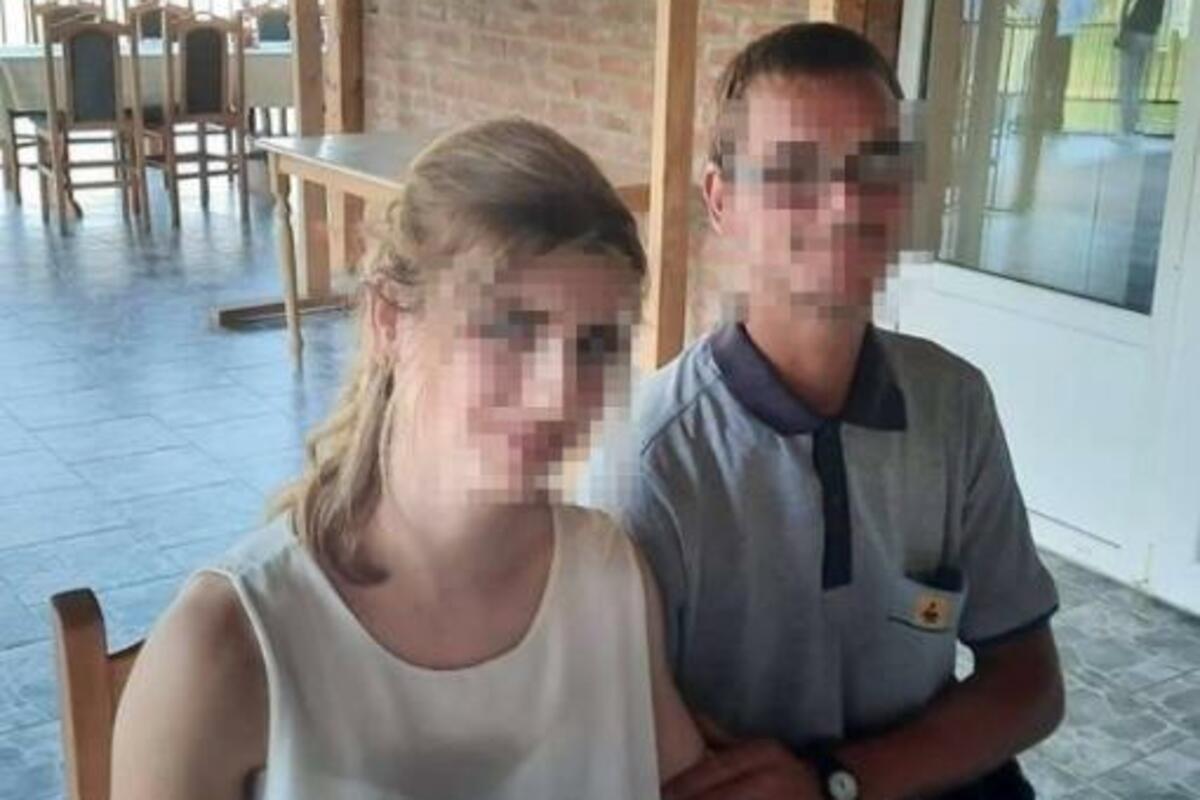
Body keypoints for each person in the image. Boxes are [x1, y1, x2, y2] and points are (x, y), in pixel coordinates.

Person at [112, 118, 704, 799]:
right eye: (512, 327)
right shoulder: (226, 645)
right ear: (389, 319)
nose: (558, 393)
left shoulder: (610, 576)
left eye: (595, 344)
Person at [581, 23, 1065, 800]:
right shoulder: (651, 462)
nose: (844, 205)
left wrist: (838, 783)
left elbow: (1030, 682)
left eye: (875, 166)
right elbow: (616, 737)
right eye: (794, 172)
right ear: (721, 201)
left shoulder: (954, 406)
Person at [1116, 0, 1166, 134]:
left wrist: (1122, 31)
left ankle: (1127, 126)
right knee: (1136, 83)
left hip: (1133, 33)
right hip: (1149, 35)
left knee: (1127, 83)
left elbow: (1127, 7)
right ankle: (1134, 122)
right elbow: (1159, 17)